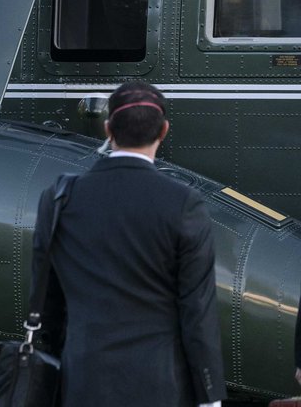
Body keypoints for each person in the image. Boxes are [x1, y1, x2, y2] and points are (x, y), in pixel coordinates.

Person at [33, 81, 226, 407]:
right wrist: (210, 396)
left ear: (108, 129)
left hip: (82, 382)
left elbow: (44, 302)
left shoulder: (59, 199)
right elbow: (198, 309)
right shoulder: (184, 203)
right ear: (163, 131)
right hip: (160, 386)